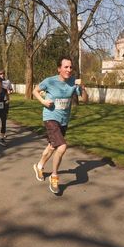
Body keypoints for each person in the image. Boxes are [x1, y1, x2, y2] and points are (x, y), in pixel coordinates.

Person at [32, 56, 88, 194]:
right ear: (59, 69)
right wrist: (43, 102)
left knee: (52, 146)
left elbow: (85, 100)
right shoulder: (50, 81)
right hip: (50, 117)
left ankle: (39, 166)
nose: (69, 70)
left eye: (70, 67)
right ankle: (54, 176)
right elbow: (35, 91)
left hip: (64, 120)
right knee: (62, 146)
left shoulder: (74, 82)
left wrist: (82, 87)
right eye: (66, 67)